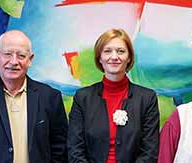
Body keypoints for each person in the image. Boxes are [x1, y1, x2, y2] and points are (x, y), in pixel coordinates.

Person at [0, 30, 68, 163]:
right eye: (7, 54)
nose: (14, 61)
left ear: (30, 59)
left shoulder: (50, 97)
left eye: (21, 55)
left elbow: (60, 151)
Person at [68, 28, 159, 162]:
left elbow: (149, 152)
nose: (114, 57)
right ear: (100, 58)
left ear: (129, 58)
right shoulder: (83, 98)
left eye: (121, 51)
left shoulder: (147, 98)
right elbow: (75, 150)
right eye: (107, 51)